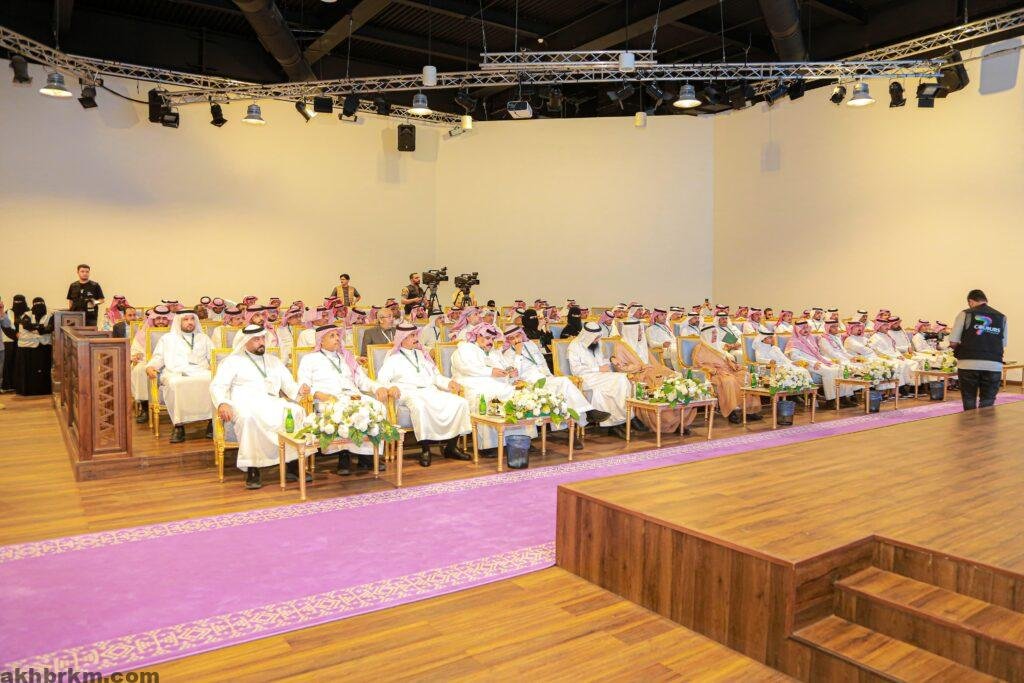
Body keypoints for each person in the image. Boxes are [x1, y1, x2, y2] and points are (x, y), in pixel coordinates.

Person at [209, 325, 310, 490]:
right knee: (248, 418)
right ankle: (253, 468)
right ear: (245, 341)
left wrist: (299, 390)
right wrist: (222, 402)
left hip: (271, 402)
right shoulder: (232, 362)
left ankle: (292, 463)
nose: (261, 342)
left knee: (296, 411)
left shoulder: (274, 361)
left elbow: (289, 384)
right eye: (256, 339)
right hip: (244, 403)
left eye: (263, 338)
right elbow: (218, 385)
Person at [298, 325, 398, 474]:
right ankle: (343, 456)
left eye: (337, 335)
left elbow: (362, 380)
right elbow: (303, 385)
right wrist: (318, 394)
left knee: (377, 406)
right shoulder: (310, 359)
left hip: (352, 395)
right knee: (341, 410)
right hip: (327, 398)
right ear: (321, 340)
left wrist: (377, 388)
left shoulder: (346, 357)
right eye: (332, 336)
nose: (337, 338)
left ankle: (366, 456)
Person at [375, 324, 472, 466]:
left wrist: (448, 383)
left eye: (416, 335)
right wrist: (391, 387)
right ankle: (425, 450)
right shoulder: (393, 358)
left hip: (430, 390)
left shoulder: (422, 355)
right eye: (412, 336)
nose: (416, 338)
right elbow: (382, 380)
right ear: (402, 338)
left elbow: (435, 376)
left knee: (460, 402)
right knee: (420, 406)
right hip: (409, 392)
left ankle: (451, 447)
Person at [493, 325, 606, 437]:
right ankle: (587, 413)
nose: (516, 340)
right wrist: (518, 353)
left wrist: (549, 375)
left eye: (518, 336)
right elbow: (514, 375)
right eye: (512, 338)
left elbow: (542, 361)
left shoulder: (531, 344)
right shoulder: (507, 354)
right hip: (529, 382)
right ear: (508, 340)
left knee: (564, 385)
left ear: (522, 334)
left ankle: (580, 418)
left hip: (545, 378)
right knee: (563, 383)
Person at [451, 323, 536, 455]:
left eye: (492, 339)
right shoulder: (465, 349)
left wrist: (509, 373)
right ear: (477, 336)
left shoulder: (494, 353)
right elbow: (467, 368)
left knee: (515, 393)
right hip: (471, 384)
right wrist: (490, 372)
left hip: (494, 383)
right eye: (487, 338)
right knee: (489, 396)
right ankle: (489, 446)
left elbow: (504, 368)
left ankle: (519, 440)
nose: (490, 342)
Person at [612, 320, 696, 435]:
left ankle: (679, 422)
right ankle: (665, 422)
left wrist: (666, 372)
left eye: (641, 331)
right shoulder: (620, 346)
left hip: (650, 371)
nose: (641, 334)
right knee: (657, 385)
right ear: (630, 331)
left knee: (676, 379)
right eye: (638, 331)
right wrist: (639, 367)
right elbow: (621, 368)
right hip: (636, 375)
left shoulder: (642, 343)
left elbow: (654, 363)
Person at [146, 309, 215, 443]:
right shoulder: (167, 339)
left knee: (213, 380)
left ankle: (211, 424)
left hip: (200, 370)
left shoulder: (204, 338)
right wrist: (150, 367)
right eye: (186, 319)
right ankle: (179, 426)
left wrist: (214, 366)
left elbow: (213, 356)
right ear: (178, 322)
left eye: (192, 319)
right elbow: (158, 357)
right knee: (176, 383)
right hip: (175, 372)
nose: (190, 322)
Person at [566, 323, 630, 438]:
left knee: (621, 379)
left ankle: (618, 420)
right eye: (595, 338)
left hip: (600, 376)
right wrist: (598, 369)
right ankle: (617, 422)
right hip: (584, 378)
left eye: (598, 337)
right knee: (619, 380)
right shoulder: (574, 346)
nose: (597, 340)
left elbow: (600, 362)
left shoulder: (596, 344)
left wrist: (611, 360)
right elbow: (576, 370)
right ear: (587, 336)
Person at [950, 289, 1007, 410]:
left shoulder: (965, 314)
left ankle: (969, 421)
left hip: (968, 363)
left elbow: (953, 341)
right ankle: (985, 422)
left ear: (970, 301)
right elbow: (1003, 343)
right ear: (985, 300)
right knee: (988, 402)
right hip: (993, 364)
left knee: (969, 399)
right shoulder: (1002, 317)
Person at [692, 325, 762, 424]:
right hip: (715, 375)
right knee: (729, 381)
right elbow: (698, 365)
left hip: (729, 370)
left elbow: (726, 360)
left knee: (747, 376)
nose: (715, 335)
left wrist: (735, 365)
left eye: (716, 333)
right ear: (706, 335)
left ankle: (750, 410)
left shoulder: (718, 345)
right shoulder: (699, 348)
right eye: (713, 333)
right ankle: (733, 411)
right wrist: (714, 370)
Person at [784, 320, 852, 408]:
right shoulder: (793, 341)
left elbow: (818, 355)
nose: (806, 330)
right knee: (829, 372)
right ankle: (830, 401)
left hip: (817, 362)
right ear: (797, 330)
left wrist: (828, 360)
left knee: (840, 368)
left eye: (807, 328)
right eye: (803, 328)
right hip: (806, 364)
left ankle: (842, 397)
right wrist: (812, 363)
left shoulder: (810, 338)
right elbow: (795, 358)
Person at [13, 297, 54, 395]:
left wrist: (35, 328)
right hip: (28, 347)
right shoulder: (27, 314)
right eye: (36, 304)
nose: (38, 306)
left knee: (43, 370)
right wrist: (40, 328)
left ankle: (43, 391)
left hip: (44, 346)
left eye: (40, 303)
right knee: (29, 372)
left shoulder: (50, 315)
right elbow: (26, 326)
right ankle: (28, 391)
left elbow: (50, 328)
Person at [1, 295, 28, 393]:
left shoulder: (28, 312)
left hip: (25, 341)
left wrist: (22, 335)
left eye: (20, 302)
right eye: (16, 302)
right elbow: (5, 327)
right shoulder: (8, 312)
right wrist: (15, 335)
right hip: (10, 341)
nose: (18, 304)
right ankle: (9, 385)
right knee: (9, 362)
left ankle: (21, 385)